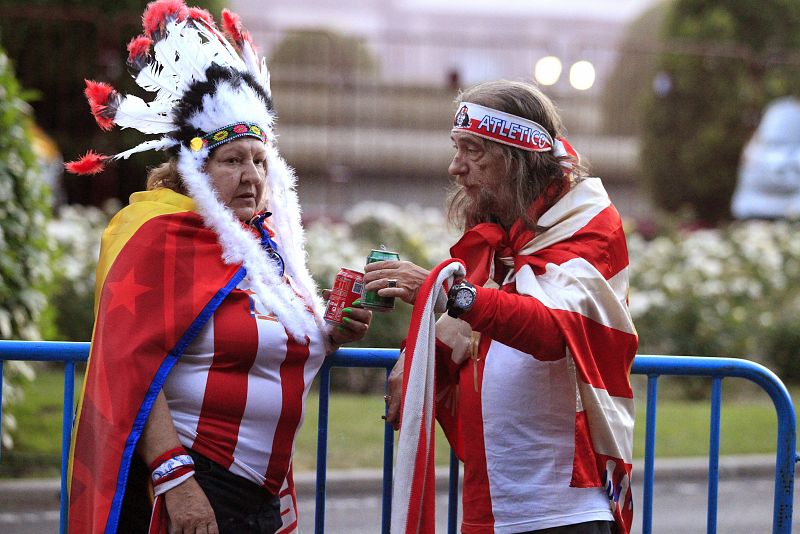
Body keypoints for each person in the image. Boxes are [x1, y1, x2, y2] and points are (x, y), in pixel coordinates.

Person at [64, 2, 371, 533]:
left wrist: (334, 332)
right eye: (232, 161)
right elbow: (127, 366)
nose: (251, 175)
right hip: (192, 486)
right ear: (194, 172)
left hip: (260, 495)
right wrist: (175, 480)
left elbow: (275, 351)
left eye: (259, 159)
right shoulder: (160, 235)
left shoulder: (268, 245)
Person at [363, 80, 637, 534]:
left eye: (473, 150)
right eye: (456, 148)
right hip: (490, 504)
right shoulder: (496, 244)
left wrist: (443, 291)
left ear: (517, 158)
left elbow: (552, 330)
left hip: (563, 510)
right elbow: (470, 328)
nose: (456, 167)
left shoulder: (586, 225)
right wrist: (419, 361)